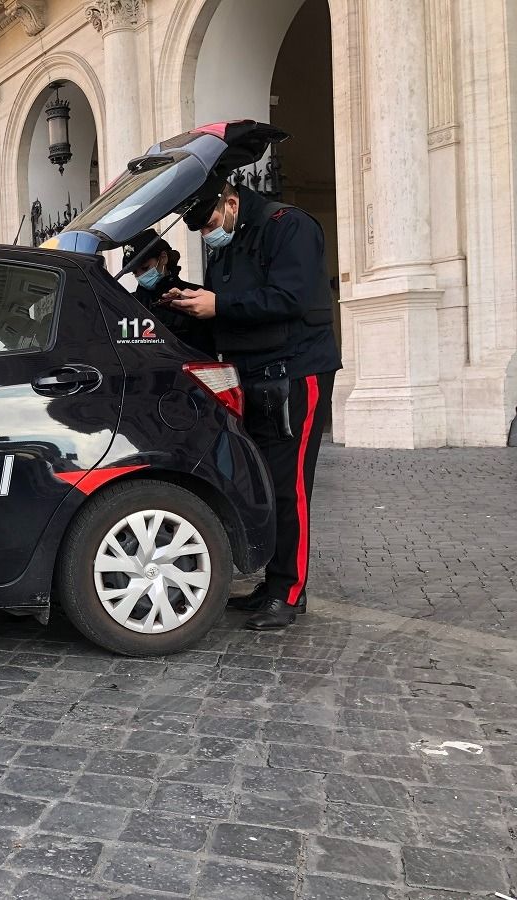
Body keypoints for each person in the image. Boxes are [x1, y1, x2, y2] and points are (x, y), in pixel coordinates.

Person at [163, 176, 341, 630]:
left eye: (211, 222)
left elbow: (288, 297)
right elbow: (229, 313)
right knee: (264, 483)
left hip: (296, 373)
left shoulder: (288, 226)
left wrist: (218, 305)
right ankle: (272, 583)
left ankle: (290, 591)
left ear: (233, 202)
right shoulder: (229, 244)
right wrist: (185, 304)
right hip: (253, 376)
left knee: (290, 485)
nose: (208, 234)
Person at [122, 229, 214, 356]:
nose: (141, 276)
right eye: (135, 272)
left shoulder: (194, 294)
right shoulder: (129, 303)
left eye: (145, 268)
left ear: (163, 258)